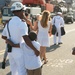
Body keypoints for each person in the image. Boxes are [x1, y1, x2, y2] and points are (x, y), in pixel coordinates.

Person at [2, 2, 39, 75]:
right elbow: (26, 38)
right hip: (19, 51)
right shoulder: (21, 23)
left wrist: (9, 41)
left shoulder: (9, 22)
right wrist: (35, 50)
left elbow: (3, 36)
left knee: (14, 71)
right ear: (20, 11)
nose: (24, 13)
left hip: (10, 51)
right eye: (24, 11)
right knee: (22, 71)